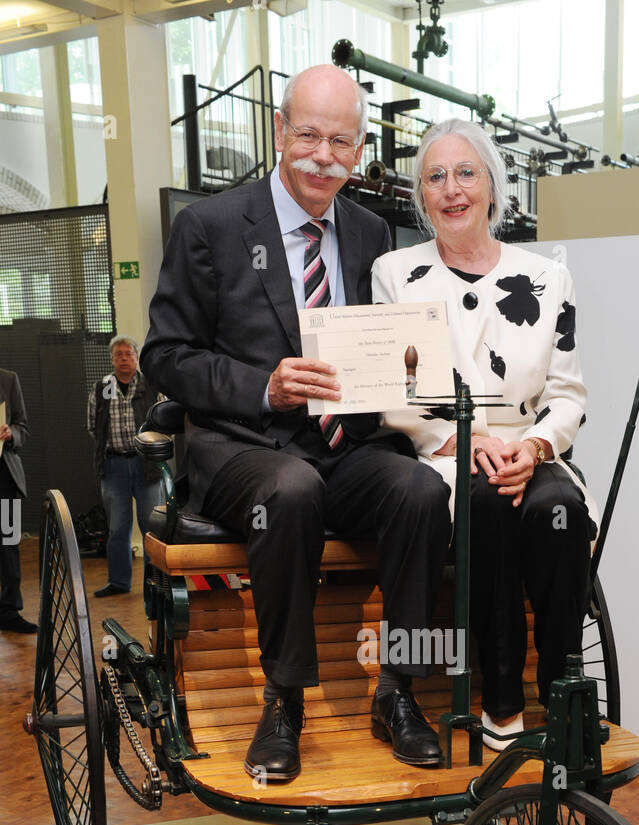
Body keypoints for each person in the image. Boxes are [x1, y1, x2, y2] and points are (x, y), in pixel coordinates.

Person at [141, 64, 451, 783]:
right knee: (289, 489)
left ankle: (397, 689)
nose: (322, 155)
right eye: (307, 135)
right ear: (279, 133)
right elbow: (165, 355)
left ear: (360, 147)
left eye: (340, 141)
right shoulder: (209, 226)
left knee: (420, 491)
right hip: (246, 446)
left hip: (344, 445)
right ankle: (284, 699)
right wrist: (263, 386)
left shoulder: (373, 232)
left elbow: (394, 348)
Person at [371, 118, 599, 748]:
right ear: (421, 195)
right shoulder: (395, 273)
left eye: (465, 173)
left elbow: (567, 395)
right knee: (486, 507)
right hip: (450, 456)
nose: (451, 190)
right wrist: (465, 442)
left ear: (493, 188)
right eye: (435, 177)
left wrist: (532, 448)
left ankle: (562, 688)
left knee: (560, 511)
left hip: (530, 451)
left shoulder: (549, 277)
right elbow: (397, 394)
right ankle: (501, 703)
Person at [87, 336, 164, 598]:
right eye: (118, 354)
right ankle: (118, 582)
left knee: (151, 526)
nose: (123, 358)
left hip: (147, 466)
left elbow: (166, 425)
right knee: (117, 527)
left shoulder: (152, 387)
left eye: (128, 354)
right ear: (111, 359)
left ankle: (154, 583)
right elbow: (92, 427)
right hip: (114, 466)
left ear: (136, 357)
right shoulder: (101, 389)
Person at [0, 367, 36, 634]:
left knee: (8, 541)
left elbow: (22, 426)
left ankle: (9, 610)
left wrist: (11, 432)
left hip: (5, 476)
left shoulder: (9, 379)